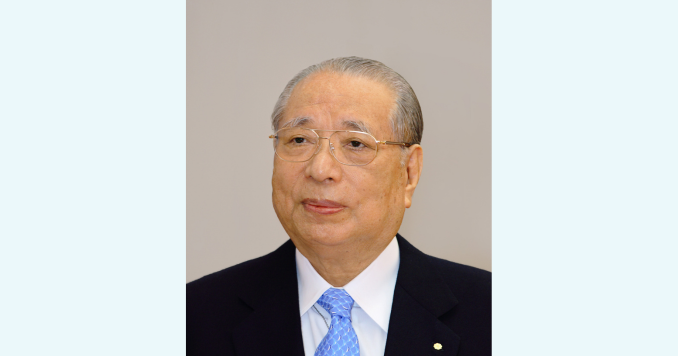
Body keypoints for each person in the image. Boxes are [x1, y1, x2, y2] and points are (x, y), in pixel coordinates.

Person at [186, 57, 491, 356]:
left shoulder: (491, 314)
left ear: (409, 173)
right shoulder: (195, 317)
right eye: (299, 140)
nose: (320, 169)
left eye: (355, 144)